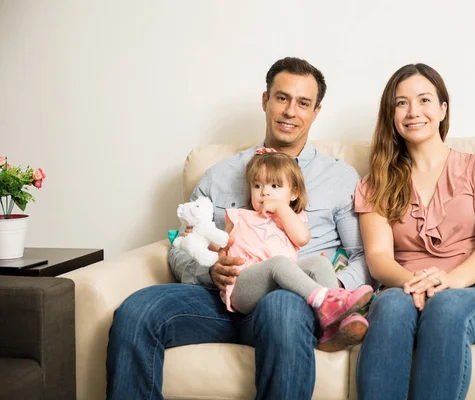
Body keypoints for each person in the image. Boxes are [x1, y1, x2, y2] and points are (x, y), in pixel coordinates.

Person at [105, 57, 371, 400]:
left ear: (316, 112)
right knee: (137, 311)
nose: (290, 111)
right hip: (219, 297)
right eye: (282, 98)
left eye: (303, 103)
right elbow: (181, 245)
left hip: (290, 300)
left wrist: (329, 291)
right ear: (265, 100)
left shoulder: (338, 177)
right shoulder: (219, 174)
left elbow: (362, 256)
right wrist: (209, 271)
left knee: (282, 307)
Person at [354, 63, 475, 400]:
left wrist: (448, 281)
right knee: (388, 305)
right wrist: (413, 283)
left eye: (424, 100)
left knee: (445, 305)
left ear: (443, 109)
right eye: (401, 103)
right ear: (390, 114)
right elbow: (377, 257)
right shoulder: (375, 183)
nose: (413, 111)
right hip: (408, 289)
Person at [222, 148, 372, 351]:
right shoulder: (239, 216)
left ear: (293, 193)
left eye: (275, 186)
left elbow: (302, 238)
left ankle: (333, 327)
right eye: (257, 186)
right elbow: (220, 245)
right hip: (243, 286)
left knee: (320, 263)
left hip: (278, 285)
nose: (265, 192)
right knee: (278, 263)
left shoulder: (291, 218)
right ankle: (323, 301)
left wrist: (281, 209)